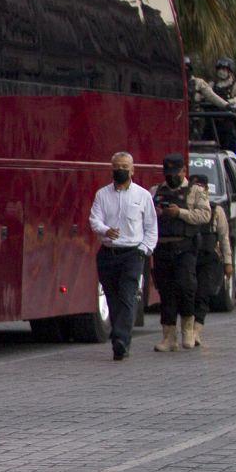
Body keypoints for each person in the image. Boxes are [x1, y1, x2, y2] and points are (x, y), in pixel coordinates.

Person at [89, 152, 157, 361]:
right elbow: (94, 219)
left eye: (124, 166)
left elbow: (151, 227)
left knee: (128, 296)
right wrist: (105, 230)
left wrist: (143, 249)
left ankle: (120, 340)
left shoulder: (142, 196)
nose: (120, 170)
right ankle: (119, 334)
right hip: (108, 253)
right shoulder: (102, 195)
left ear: (132, 170)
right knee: (112, 296)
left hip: (132, 254)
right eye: (116, 166)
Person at [150, 153, 212, 351]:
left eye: (175, 172)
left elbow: (204, 215)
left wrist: (180, 213)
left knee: (186, 287)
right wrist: (158, 212)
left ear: (184, 171)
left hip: (185, 247)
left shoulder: (195, 192)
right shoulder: (156, 190)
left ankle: (188, 330)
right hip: (163, 247)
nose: (171, 177)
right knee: (166, 292)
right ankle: (168, 336)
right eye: (168, 173)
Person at [189, 172, 230, 350]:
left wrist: (228, 262)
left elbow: (224, 237)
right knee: (188, 292)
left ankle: (196, 330)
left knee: (203, 293)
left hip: (208, 258)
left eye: (201, 188)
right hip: (189, 256)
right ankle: (187, 328)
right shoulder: (186, 209)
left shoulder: (216, 211)